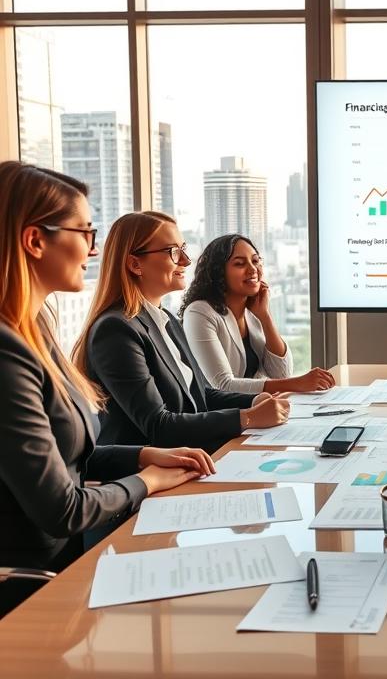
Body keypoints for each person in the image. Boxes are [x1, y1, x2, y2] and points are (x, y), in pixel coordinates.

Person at [0, 162, 214, 617]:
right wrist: (146, 481)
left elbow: (64, 454)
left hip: (67, 570)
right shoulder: (6, 352)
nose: (94, 251)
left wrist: (141, 456)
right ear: (36, 240)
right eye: (85, 233)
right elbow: (63, 508)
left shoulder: (33, 328)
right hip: (34, 589)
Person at [74, 212, 289, 453]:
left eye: (184, 249)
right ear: (135, 264)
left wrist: (254, 401)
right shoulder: (115, 331)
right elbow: (158, 425)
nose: (186, 260)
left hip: (191, 457)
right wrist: (247, 417)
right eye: (173, 252)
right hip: (150, 474)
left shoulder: (167, 320)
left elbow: (201, 395)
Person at [179, 234, 335, 393]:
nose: (253, 269)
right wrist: (298, 383)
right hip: (221, 415)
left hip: (257, 409)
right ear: (218, 272)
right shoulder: (199, 313)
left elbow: (281, 374)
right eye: (239, 264)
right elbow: (222, 385)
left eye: (255, 261)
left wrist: (265, 317)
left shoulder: (253, 311)